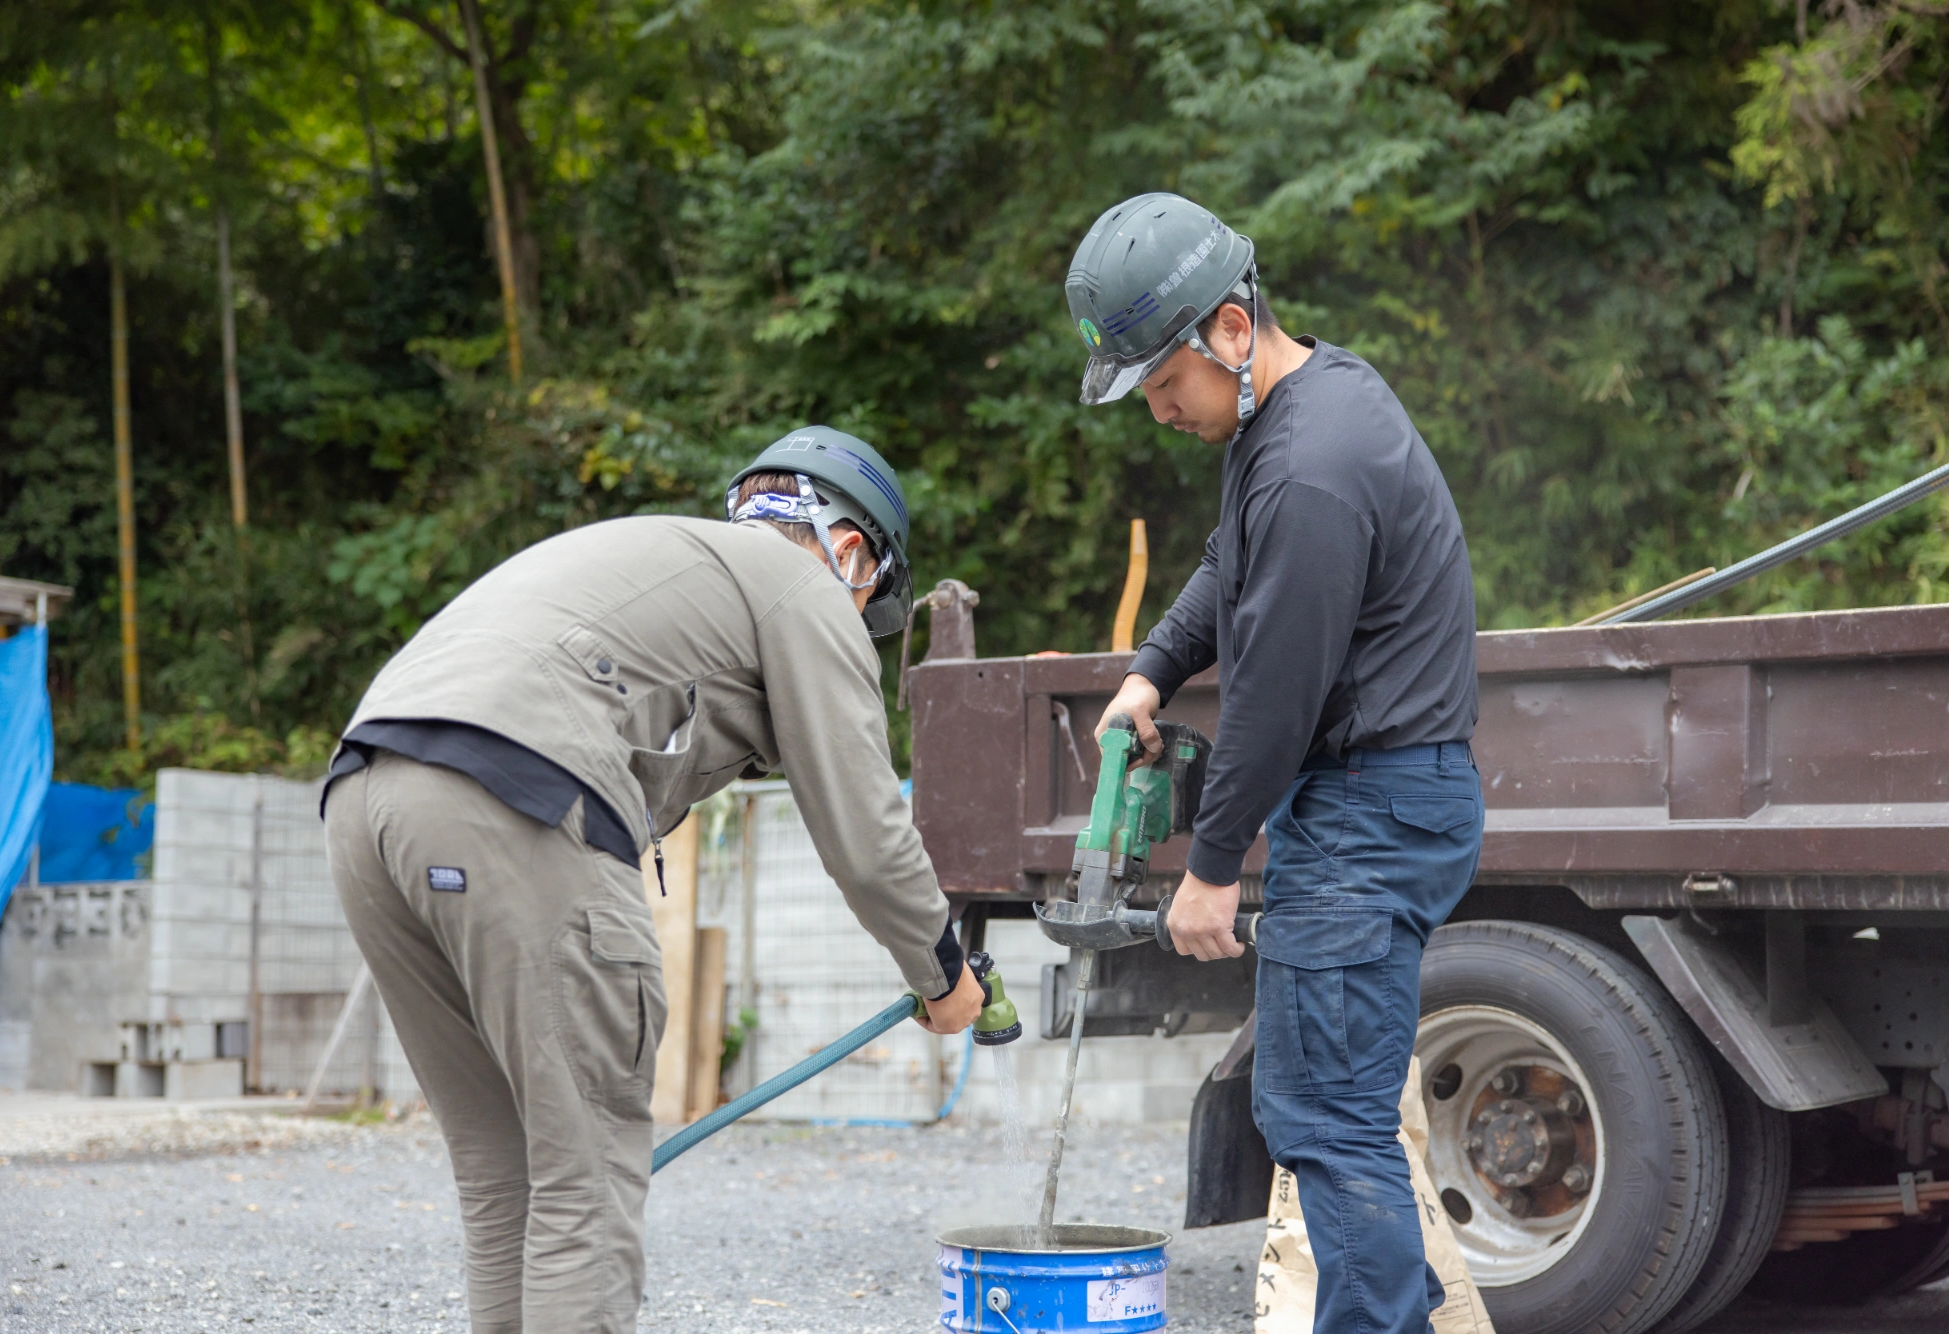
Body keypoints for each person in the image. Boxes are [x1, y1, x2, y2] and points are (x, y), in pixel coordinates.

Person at [320, 425, 985, 1334]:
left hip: (364, 796)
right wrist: (943, 973)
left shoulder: (665, 561)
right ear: (851, 549)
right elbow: (866, 834)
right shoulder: (803, 586)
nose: (857, 610)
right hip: (517, 795)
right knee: (584, 1177)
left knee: (502, 1175)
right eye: (865, 595)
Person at [1070, 193, 1483, 1334]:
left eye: (1163, 384)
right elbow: (1226, 561)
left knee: (1326, 1124)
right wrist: (1153, 665)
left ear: (1232, 331)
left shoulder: (1309, 465)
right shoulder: (1305, 410)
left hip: (1365, 811)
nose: (1157, 410)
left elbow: (1276, 692)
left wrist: (1208, 867)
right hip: (1376, 801)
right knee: (1332, 1117)